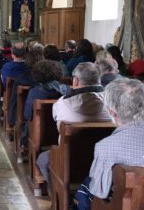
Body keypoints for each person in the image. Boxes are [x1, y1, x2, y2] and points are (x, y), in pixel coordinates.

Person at [72, 78, 144, 209]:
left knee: (87, 187)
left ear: (111, 111)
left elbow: (99, 192)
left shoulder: (105, 147)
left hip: (125, 205)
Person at [36, 62, 110, 191]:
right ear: (99, 80)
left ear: (75, 81)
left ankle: (58, 198)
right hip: (104, 160)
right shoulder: (113, 103)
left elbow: (57, 126)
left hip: (71, 160)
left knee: (43, 159)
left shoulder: (62, 103)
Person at [20, 60, 69, 145]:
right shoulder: (67, 89)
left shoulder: (35, 91)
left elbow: (27, 115)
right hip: (61, 132)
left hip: (39, 132)